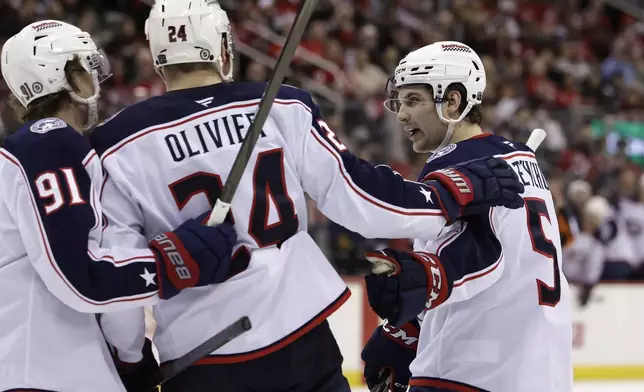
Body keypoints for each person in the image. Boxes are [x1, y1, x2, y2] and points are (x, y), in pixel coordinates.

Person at [91, 2, 525, 391]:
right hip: (301, 341)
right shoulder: (283, 105)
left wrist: (131, 359)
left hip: (201, 355)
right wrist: (449, 195)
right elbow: (364, 201)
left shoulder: (113, 145)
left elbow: (118, 274)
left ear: (156, 57)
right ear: (224, 48)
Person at [0, 20, 242, 392]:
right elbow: (78, 276)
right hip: (50, 375)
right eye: (86, 68)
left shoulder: (27, 154)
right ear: (66, 77)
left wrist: (129, 356)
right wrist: (173, 260)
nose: (96, 82)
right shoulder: (49, 144)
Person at [360, 41, 573, 392]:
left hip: (466, 369)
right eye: (400, 101)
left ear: (453, 101)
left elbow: (471, 259)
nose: (401, 114)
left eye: (413, 100)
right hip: (543, 371)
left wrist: (402, 331)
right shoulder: (523, 161)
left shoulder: (454, 166)